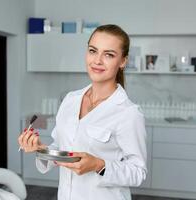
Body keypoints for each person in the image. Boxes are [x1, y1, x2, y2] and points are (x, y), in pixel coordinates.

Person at [18, 24, 147, 200]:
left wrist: (98, 165)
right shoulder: (70, 100)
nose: (97, 60)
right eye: (93, 51)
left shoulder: (128, 113)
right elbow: (60, 148)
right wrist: (41, 149)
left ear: (123, 61)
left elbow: (138, 172)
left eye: (108, 54)